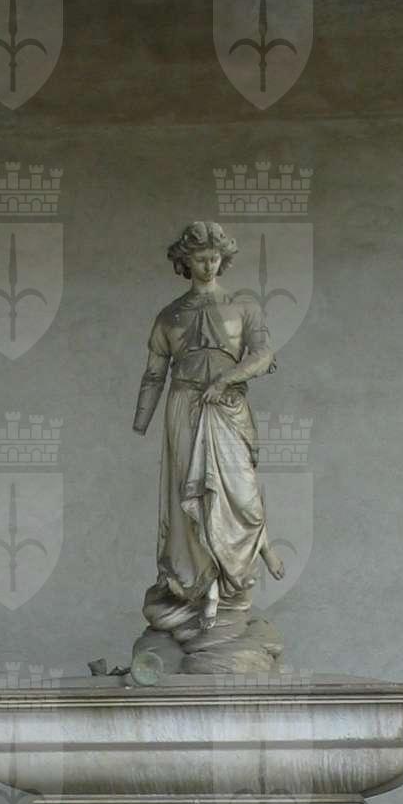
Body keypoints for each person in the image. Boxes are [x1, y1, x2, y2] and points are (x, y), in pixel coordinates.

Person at [132, 219, 284, 674]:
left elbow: (264, 355)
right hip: (184, 407)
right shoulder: (170, 316)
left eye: (214, 257)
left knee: (239, 496)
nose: (208, 265)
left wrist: (227, 378)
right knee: (189, 502)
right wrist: (142, 418)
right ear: (185, 262)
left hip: (227, 407)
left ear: (224, 259)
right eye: (199, 258)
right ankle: (198, 592)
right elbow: (154, 373)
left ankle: (236, 588)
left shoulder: (243, 308)